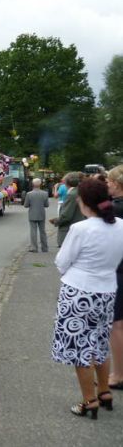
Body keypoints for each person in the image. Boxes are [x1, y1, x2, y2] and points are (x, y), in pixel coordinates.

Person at [51, 178, 123, 419]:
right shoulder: (121, 226)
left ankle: (88, 400)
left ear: (85, 203)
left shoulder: (80, 229)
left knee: (79, 349)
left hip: (79, 293)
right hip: (107, 291)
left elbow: (61, 262)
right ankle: (104, 392)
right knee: (99, 344)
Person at [106, 165, 123, 389]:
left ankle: (118, 375)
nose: (106, 185)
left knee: (117, 325)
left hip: (119, 270)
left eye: (108, 182)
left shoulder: (116, 209)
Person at [50, 172, 84, 247]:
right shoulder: (78, 191)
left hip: (69, 229)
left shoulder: (71, 195)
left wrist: (56, 221)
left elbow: (66, 216)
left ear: (67, 182)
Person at [23, 178, 49, 252]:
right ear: (40, 184)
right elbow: (46, 205)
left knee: (33, 231)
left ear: (33, 184)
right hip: (41, 213)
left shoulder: (29, 194)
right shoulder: (45, 193)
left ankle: (34, 247)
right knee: (43, 231)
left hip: (32, 214)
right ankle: (45, 248)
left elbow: (26, 205)